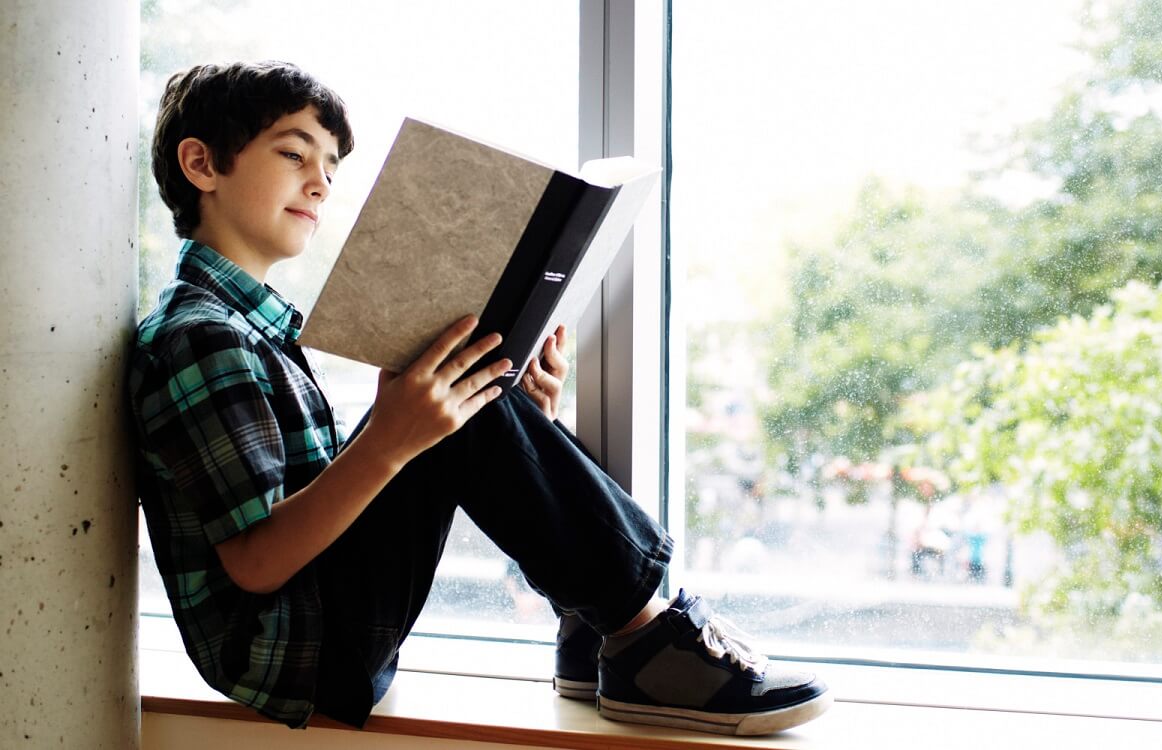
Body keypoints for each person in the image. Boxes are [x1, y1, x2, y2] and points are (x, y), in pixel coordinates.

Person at [128, 60, 830, 736]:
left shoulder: (246, 325)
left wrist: (513, 419)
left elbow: (311, 498)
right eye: (295, 155)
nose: (321, 184)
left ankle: (598, 633)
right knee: (447, 394)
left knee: (460, 382)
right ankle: (650, 641)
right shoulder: (200, 338)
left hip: (318, 628)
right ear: (203, 165)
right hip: (301, 657)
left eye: (332, 167)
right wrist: (391, 440)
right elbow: (254, 562)